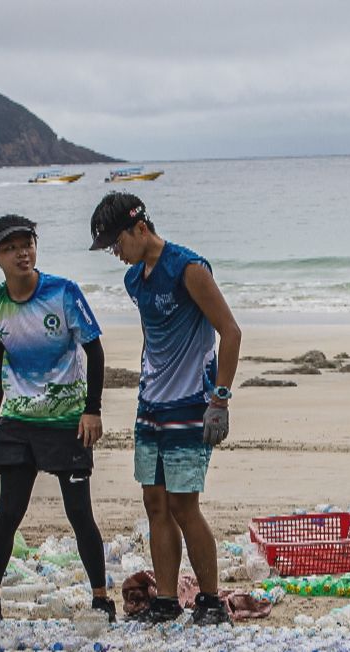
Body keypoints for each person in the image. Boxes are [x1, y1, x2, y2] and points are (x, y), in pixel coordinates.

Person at [88, 192, 242, 625]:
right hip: (151, 405)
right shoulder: (134, 280)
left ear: (140, 228)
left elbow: (230, 332)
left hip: (192, 402)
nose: (116, 255)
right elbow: (155, 341)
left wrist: (221, 399)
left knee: (183, 505)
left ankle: (211, 600)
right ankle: (167, 600)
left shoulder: (189, 269)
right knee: (154, 502)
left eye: (117, 244)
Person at [0, 214, 115, 622]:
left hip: (66, 420)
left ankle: (101, 596)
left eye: (28, 243)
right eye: (12, 247)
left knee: (79, 513)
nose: (23, 252)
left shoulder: (63, 293)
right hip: (17, 421)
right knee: (8, 514)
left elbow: (96, 351)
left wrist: (93, 410)